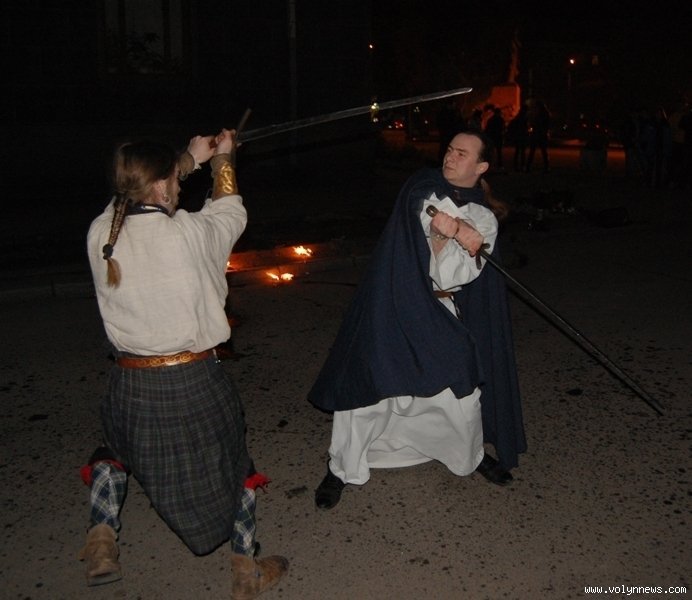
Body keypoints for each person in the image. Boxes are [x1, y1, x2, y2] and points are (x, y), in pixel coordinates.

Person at [81, 129, 288, 598]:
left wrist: (189, 160)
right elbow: (230, 211)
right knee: (235, 466)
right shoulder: (190, 233)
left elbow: (130, 197)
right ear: (160, 185)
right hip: (193, 381)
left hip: (130, 384)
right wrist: (223, 160)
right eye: (174, 181)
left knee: (115, 451)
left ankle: (101, 538)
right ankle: (246, 572)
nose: (179, 188)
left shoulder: (101, 232)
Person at [309, 130, 527, 510]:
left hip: (438, 309)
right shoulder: (423, 186)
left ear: (481, 167)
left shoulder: (484, 219)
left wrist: (452, 240)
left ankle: (471, 456)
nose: (450, 157)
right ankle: (341, 467)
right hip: (392, 302)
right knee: (368, 385)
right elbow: (420, 205)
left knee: (461, 386)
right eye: (449, 150)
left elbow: (452, 277)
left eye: (462, 154)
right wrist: (450, 227)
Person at [525, 100, 551, 173]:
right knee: (543, 151)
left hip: (538, 134)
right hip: (541, 134)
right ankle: (546, 167)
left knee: (533, 151)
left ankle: (528, 166)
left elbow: (534, 124)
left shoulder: (539, 115)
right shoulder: (545, 114)